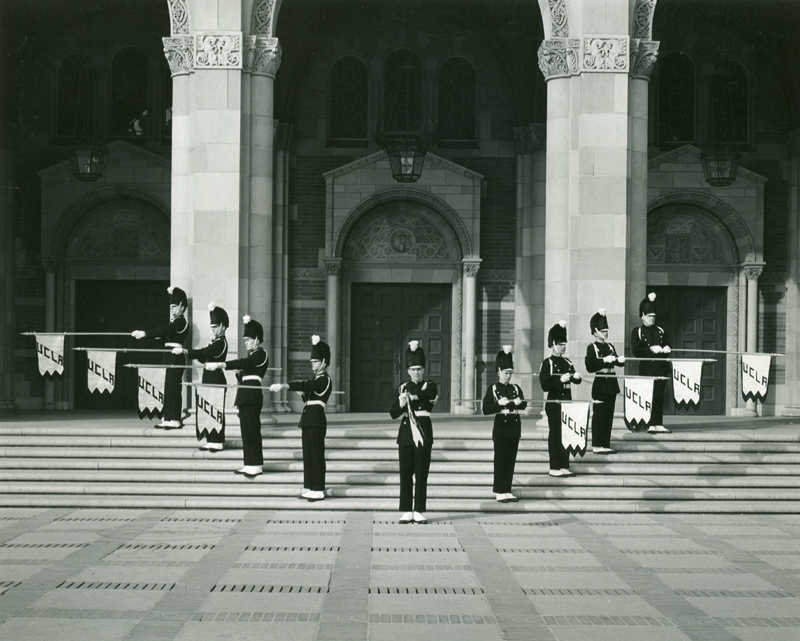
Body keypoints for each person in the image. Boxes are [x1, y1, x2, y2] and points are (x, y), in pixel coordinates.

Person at [271, 335, 332, 501]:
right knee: (309, 455)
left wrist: (286, 385)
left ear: (324, 362)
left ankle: (318, 488)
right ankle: (311, 487)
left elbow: (310, 386)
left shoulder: (325, 379)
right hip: (309, 419)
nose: (312, 364)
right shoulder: (317, 379)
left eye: (315, 361)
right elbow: (309, 394)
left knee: (316, 454)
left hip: (316, 419)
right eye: (312, 361)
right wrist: (304, 395)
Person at [206, 315, 268, 476]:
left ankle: (256, 464)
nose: (245, 342)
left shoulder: (261, 354)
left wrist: (222, 364)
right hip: (245, 394)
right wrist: (239, 373)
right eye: (245, 339)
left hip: (252, 394)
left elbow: (245, 363)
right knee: (246, 431)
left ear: (256, 339)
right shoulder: (253, 355)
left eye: (248, 339)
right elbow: (245, 368)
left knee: (252, 430)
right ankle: (249, 463)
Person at [389, 341, 437, 524]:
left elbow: (428, 395)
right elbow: (393, 413)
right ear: (408, 371)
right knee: (405, 472)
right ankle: (407, 510)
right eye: (413, 369)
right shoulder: (402, 387)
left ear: (423, 370)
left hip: (423, 432)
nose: (416, 372)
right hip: (406, 434)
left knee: (421, 472)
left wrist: (413, 396)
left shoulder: (429, 385)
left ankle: (419, 510)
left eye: (419, 369)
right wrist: (401, 403)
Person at [132, 286, 189, 429]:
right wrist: (157, 338)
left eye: (175, 306)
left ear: (182, 306)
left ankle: (175, 418)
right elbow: (165, 338)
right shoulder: (174, 322)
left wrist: (145, 333)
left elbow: (166, 330)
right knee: (167, 387)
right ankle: (168, 417)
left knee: (174, 387)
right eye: (171, 306)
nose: (172, 309)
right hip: (168, 356)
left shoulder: (181, 321)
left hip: (176, 357)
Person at [173, 303, 229, 451]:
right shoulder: (215, 342)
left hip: (216, 377)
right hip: (209, 376)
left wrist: (186, 351)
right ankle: (211, 438)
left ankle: (217, 440)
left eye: (215, 327)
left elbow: (205, 353)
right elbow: (204, 356)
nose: (213, 330)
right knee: (207, 408)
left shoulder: (221, 343)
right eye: (212, 327)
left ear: (223, 326)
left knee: (215, 408)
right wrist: (201, 355)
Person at [482, 345, 527, 502]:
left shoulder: (515, 388)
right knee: (500, 459)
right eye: (506, 373)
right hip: (501, 425)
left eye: (510, 373)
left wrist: (517, 402)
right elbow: (485, 408)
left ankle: (507, 489)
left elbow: (523, 404)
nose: (508, 376)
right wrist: (499, 404)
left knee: (510, 459)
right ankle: (499, 491)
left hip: (513, 426)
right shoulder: (493, 388)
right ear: (499, 372)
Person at [539, 321, 582, 477]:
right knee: (556, 435)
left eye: (564, 344)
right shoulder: (547, 363)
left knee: (566, 435)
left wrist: (577, 377)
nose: (563, 347)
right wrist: (560, 381)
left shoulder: (567, 362)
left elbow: (574, 378)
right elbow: (545, 385)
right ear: (553, 344)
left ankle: (564, 465)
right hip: (555, 403)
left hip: (566, 403)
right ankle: (554, 466)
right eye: (560, 344)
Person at [584, 308, 625, 454]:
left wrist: (620, 361)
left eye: (606, 330)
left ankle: (605, 444)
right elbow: (590, 366)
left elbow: (617, 360)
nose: (606, 333)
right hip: (600, 383)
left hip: (611, 383)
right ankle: (597, 444)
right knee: (599, 415)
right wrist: (603, 361)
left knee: (609, 414)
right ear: (595, 332)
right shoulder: (592, 347)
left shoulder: (610, 346)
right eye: (603, 330)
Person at [630, 292, 672, 433]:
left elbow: (667, 344)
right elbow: (636, 350)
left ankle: (658, 422)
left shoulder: (661, 330)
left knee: (659, 395)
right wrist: (651, 349)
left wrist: (666, 349)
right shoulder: (638, 331)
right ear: (643, 316)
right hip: (647, 369)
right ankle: (648, 423)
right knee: (648, 396)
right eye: (649, 316)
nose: (652, 318)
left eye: (654, 316)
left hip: (661, 368)